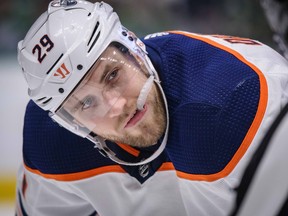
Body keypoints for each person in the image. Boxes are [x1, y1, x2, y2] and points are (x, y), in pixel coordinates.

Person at [16, 0, 288, 215]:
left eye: (112, 75)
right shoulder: (50, 141)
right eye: (86, 103)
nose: (117, 106)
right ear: (69, 123)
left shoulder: (229, 103)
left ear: (134, 47)